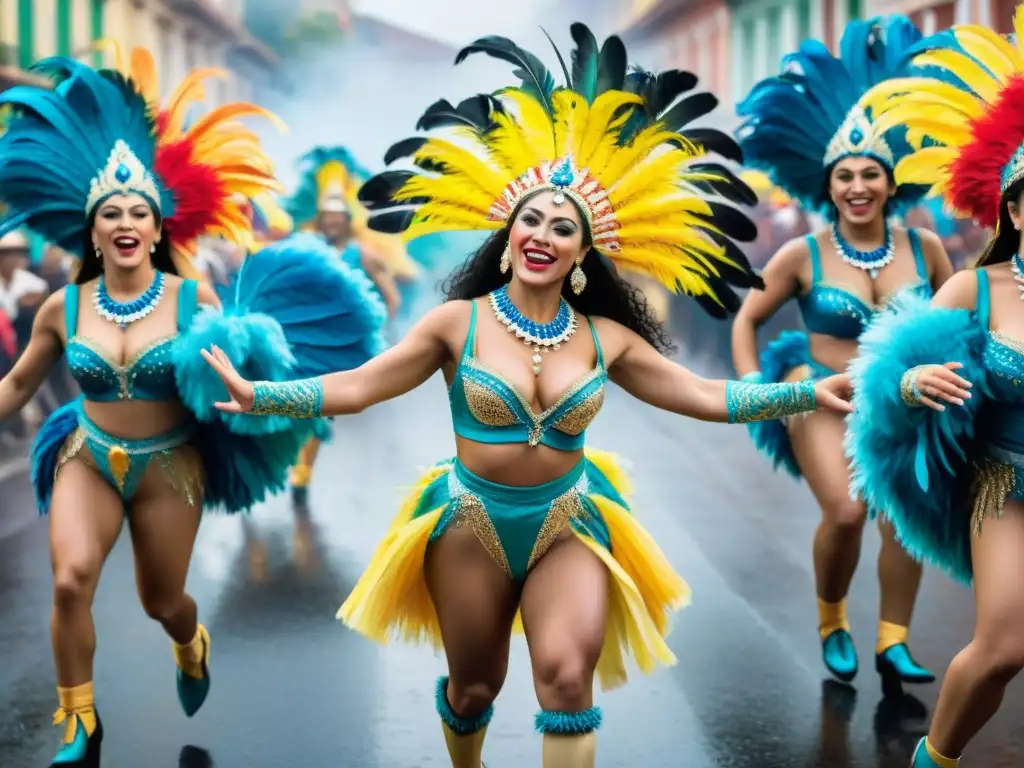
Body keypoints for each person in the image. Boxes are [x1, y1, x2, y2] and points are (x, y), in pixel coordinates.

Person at [200, 22, 853, 768]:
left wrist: (799, 396)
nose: (543, 234)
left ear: (582, 253)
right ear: (509, 237)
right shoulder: (458, 323)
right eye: (531, 221)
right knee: (476, 688)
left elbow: (704, 396)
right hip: (470, 523)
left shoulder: (608, 336)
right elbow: (359, 387)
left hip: (569, 522)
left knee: (568, 682)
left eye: (562, 227)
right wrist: (263, 396)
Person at [0, 48, 386, 767]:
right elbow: (19, 386)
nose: (124, 221)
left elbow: (243, 374)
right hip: (87, 454)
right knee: (69, 579)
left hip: (169, 466)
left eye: (137, 212)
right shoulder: (61, 307)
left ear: (157, 230)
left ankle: (189, 640)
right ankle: (78, 719)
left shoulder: (193, 301)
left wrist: (255, 372)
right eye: (110, 211)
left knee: (162, 599)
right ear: (93, 230)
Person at [729, 15, 954, 691]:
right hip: (821, 393)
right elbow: (748, 320)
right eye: (844, 176)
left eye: (871, 174)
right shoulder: (804, 254)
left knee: (901, 520)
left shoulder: (928, 249)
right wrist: (754, 389)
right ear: (825, 186)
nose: (857, 186)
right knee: (849, 511)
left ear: (893, 184)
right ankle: (832, 621)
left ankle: (893, 640)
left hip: (903, 402)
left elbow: (963, 320)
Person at [845, 12, 1024, 767]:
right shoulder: (973, 289)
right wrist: (913, 381)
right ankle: (936, 760)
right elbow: (881, 379)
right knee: (1006, 646)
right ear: (1016, 208)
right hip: (1003, 486)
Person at [282, 146, 394, 505]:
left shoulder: (363, 254)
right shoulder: (309, 248)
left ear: (347, 219)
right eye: (325, 217)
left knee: (318, 409)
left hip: (341, 348)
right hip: (303, 341)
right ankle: (291, 461)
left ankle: (302, 473)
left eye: (337, 217)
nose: (331, 223)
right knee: (290, 403)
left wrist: (371, 329)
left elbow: (390, 298)